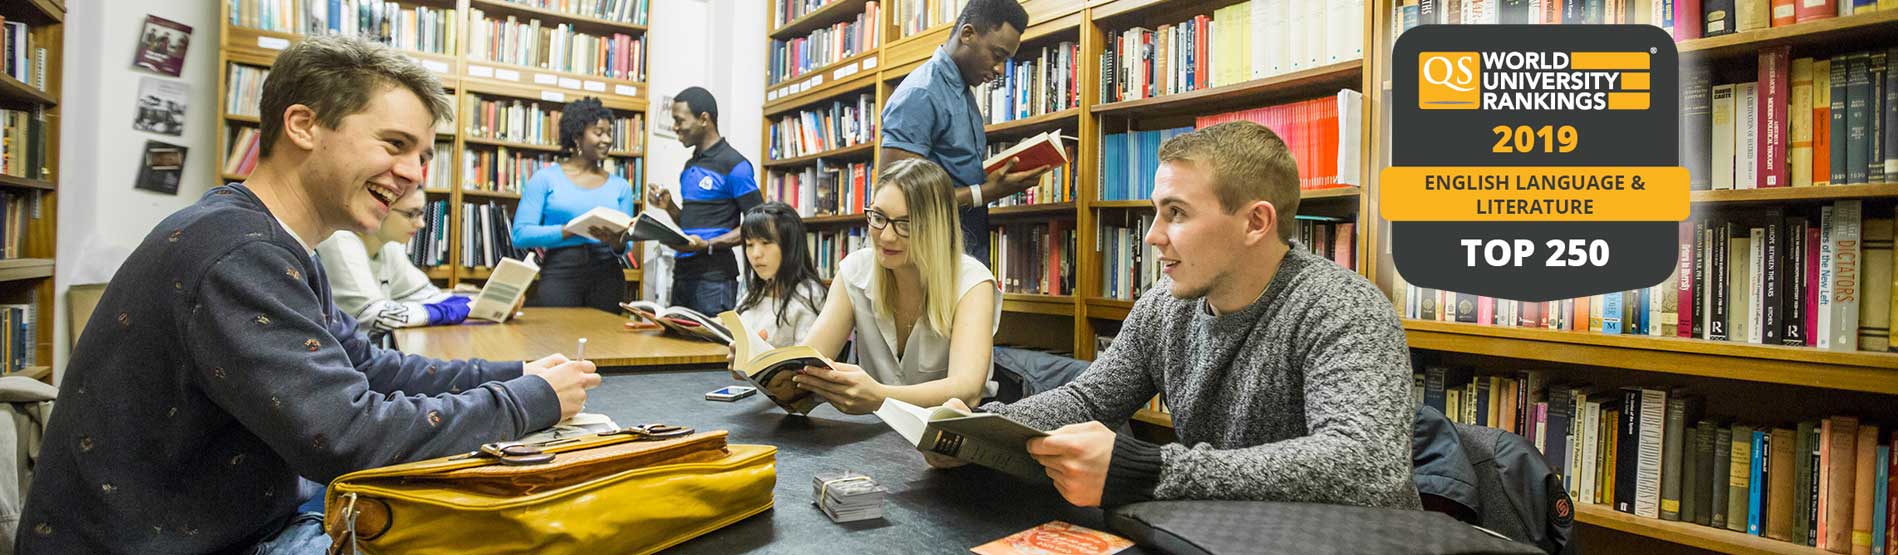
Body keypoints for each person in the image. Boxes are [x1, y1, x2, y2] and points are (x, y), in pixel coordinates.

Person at [17, 36, 602, 554]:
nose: (417, 174)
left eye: (423, 154)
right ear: (302, 126)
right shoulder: (239, 254)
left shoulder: (272, 240)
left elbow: (367, 366)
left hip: (226, 514)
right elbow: (351, 438)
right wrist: (529, 400)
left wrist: (517, 371)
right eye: (394, 143)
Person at [935, 122, 1419, 511]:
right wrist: (978, 431)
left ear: (1256, 222)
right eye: (1155, 212)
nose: (1152, 236)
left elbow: (1367, 463)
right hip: (1221, 534)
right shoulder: (1164, 306)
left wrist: (1149, 469)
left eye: (1177, 214)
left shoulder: (1342, 306)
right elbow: (1089, 399)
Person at [790, 159, 1001, 414]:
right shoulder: (855, 270)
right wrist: (759, 366)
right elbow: (806, 362)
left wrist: (880, 397)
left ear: (937, 227)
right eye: (878, 217)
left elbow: (968, 389)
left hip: (946, 435)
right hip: (874, 434)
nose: (886, 236)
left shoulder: (972, 281)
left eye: (905, 224)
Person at [879, 0, 1049, 262]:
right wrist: (987, 191)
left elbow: (955, 175)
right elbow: (897, 197)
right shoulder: (921, 93)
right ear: (967, 34)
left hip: (964, 253)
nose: (1000, 69)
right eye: (997, 55)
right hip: (930, 263)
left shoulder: (963, 93)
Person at [510, 97, 636, 312]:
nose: (606, 140)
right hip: (561, 272)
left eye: (609, 133)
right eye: (598, 132)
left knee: (606, 343)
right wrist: (568, 231)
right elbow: (521, 235)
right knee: (557, 339)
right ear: (577, 136)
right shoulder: (545, 179)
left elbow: (627, 245)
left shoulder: (621, 186)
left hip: (608, 276)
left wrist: (617, 241)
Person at [646, 87, 763, 316]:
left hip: (715, 280)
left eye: (679, 120)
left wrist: (709, 244)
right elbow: (692, 227)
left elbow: (758, 225)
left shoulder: (735, 165)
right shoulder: (690, 166)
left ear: (704, 119)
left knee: (711, 349)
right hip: (682, 275)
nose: (675, 127)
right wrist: (669, 207)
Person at [315, 187, 470, 342]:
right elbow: (372, 315)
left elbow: (427, 296)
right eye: (411, 214)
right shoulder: (340, 239)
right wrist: (446, 311)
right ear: (380, 208)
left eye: (421, 213)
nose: (421, 224)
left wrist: (473, 302)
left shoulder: (389, 244)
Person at [735, 202, 827, 348]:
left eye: (766, 243)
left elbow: (805, 360)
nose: (755, 254)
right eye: (749, 245)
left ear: (789, 246)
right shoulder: (753, 290)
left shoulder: (809, 296)